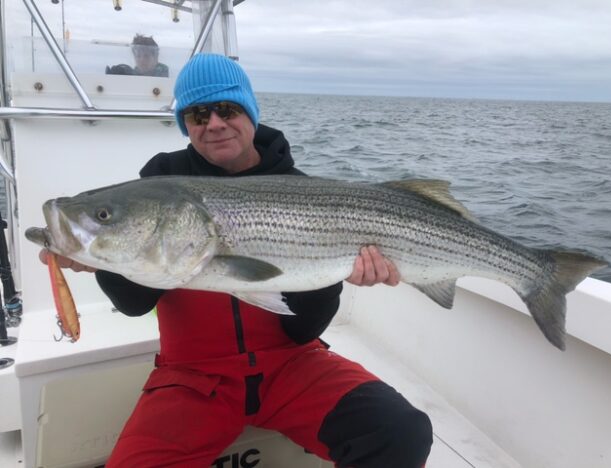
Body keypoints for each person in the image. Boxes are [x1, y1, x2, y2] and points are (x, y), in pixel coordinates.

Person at [40, 53, 433, 467]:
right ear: (185, 125)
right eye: (197, 114)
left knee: (401, 430)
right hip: (193, 379)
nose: (213, 123)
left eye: (226, 109)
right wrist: (104, 262)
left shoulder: (305, 193)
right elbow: (133, 305)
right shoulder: (157, 193)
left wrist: (332, 271)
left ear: (249, 110)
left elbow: (303, 331)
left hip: (292, 365)